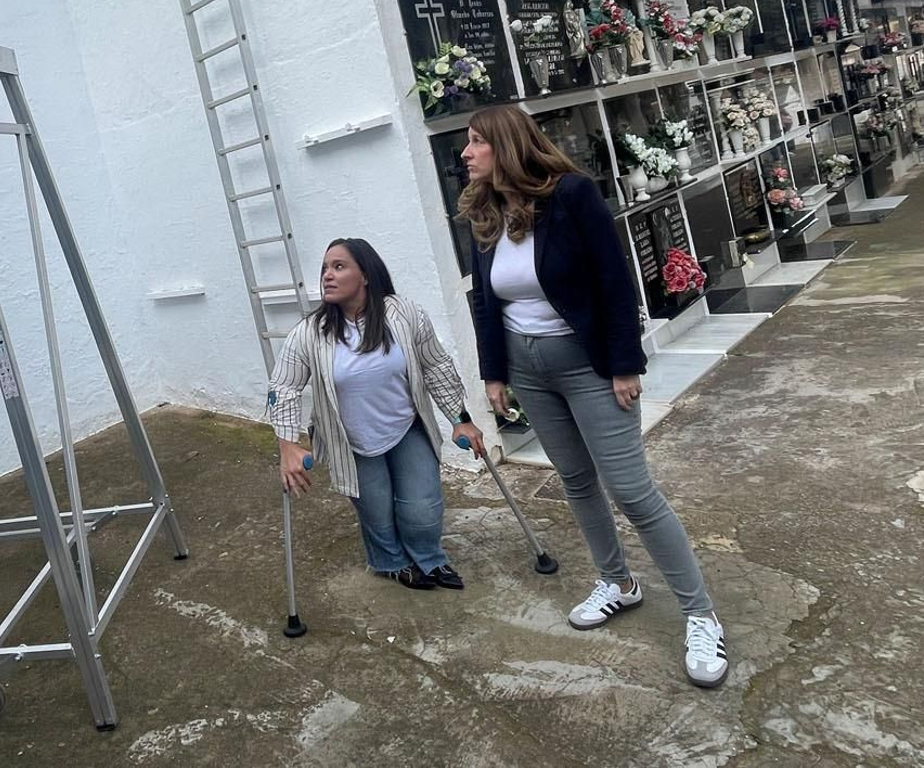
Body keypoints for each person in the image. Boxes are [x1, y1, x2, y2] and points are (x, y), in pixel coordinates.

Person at [457, 106, 728, 688]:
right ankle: (618, 582)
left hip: (587, 367)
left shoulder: (573, 196)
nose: (466, 153)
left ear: (506, 145)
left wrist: (625, 363)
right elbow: (486, 301)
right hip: (529, 370)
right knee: (575, 480)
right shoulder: (485, 214)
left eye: (476, 142)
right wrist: (494, 375)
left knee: (632, 489)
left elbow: (614, 279)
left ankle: (700, 614)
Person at [269, 238, 486, 590]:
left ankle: (429, 559)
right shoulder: (310, 333)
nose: (327, 275)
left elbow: (435, 366)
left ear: (366, 274)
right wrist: (287, 445)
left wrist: (460, 418)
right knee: (378, 514)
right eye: (325, 268)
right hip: (352, 440)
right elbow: (283, 387)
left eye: (339, 266)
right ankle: (390, 562)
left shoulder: (404, 315)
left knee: (422, 508)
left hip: (405, 427)